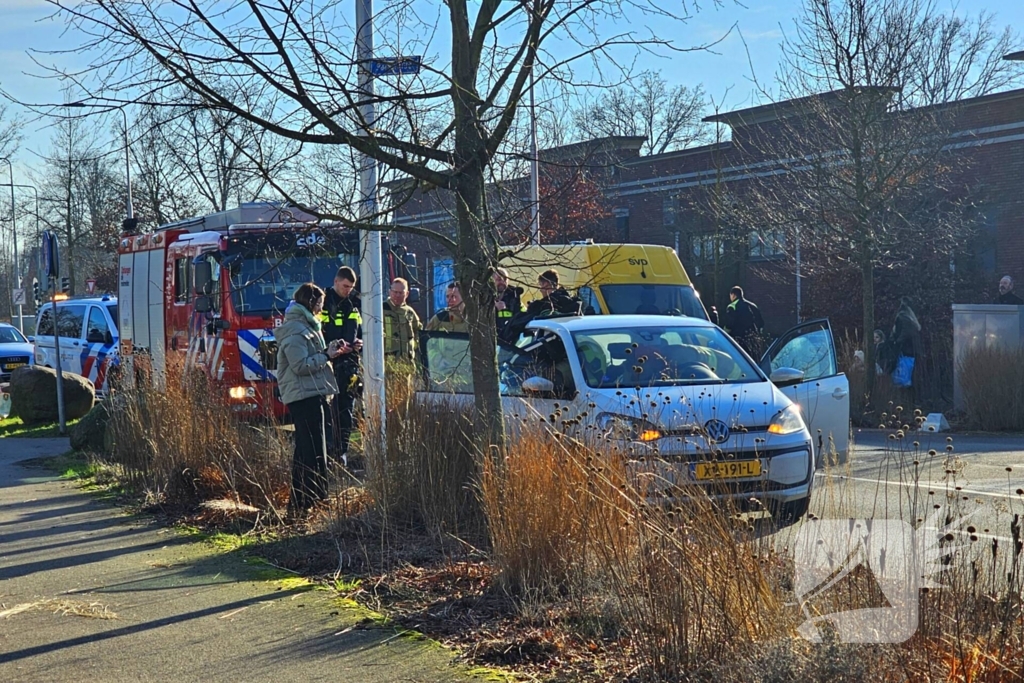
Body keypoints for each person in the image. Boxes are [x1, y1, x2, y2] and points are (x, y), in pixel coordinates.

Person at [274, 283, 343, 517]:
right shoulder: (296, 329)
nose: (321, 309)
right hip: (304, 396)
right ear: (311, 303)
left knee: (308, 451)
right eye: (320, 305)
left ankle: (303, 504)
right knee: (313, 452)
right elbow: (300, 365)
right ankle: (312, 502)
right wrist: (326, 355)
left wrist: (331, 351)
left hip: (312, 393)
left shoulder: (306, 326)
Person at [321, 266, 362, 465]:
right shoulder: (323, 301)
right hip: (328, 364)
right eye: (345, 286)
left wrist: (357, 344)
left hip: (350, 364)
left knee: (346, 410)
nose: (348, 290)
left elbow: (360, 331)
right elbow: (320, 332)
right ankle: (328, 451)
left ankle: (342, 452)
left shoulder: (355, 303)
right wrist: (334, 346)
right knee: (328, 412)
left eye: (351, 287)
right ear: (336, 281)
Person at [500, 269, 582, 343]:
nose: (540, 290)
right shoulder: (571, 304)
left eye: (540, 286)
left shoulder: (542, 307)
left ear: (546, 285)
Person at [383, 277, 422, 363]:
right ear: (390, 292)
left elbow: (419, 332)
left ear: (407, 294)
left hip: (407, 364)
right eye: (395, 292)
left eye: (401, 293)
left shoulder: (410, 312)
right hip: (386, 365)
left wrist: (413, 347)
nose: (397, 295)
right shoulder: (381, 310)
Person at [722, 285, 765, 355]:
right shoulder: (753, 306)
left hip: (739, 340)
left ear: (733, 295)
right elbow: (761, 323)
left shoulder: (732, 306)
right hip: (753, 340)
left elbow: (729, 324)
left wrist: (724, 333)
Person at [890, 297, 922, 389]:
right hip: (910, 349)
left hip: (905, 349)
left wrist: (897, 341)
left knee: (902, 371)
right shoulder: (910, 318)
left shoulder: (902, 317)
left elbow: (905, 332)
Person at [494, 268, 523, 334]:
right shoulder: (483, 296)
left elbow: (517, 318)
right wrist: (494, 308)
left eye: (505, 279)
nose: (502, 282)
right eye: (499, 279)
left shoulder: (514, 296)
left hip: (508, 337)